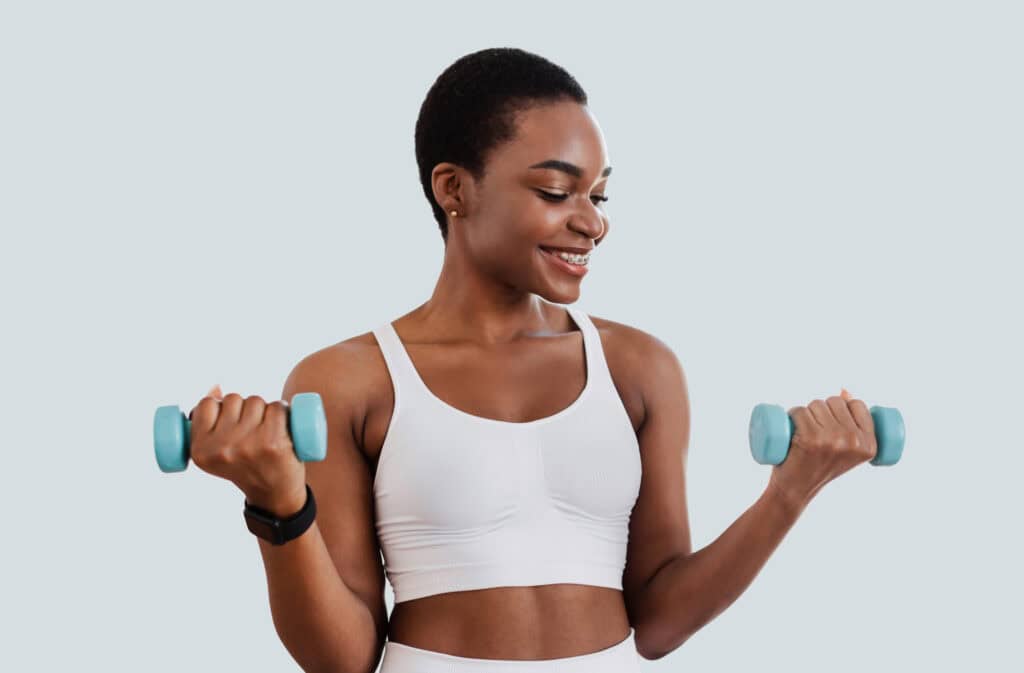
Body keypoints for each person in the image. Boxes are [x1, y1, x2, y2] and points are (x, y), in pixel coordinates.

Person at [188, 47, 880, 673]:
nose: (592, 221)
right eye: (556, 192)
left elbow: (661, 619)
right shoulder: (349, 380)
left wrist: (790, 492)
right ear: (454, 190)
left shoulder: (641, 368)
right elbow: (343, 658)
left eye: (598, 193)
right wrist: (279, 504)